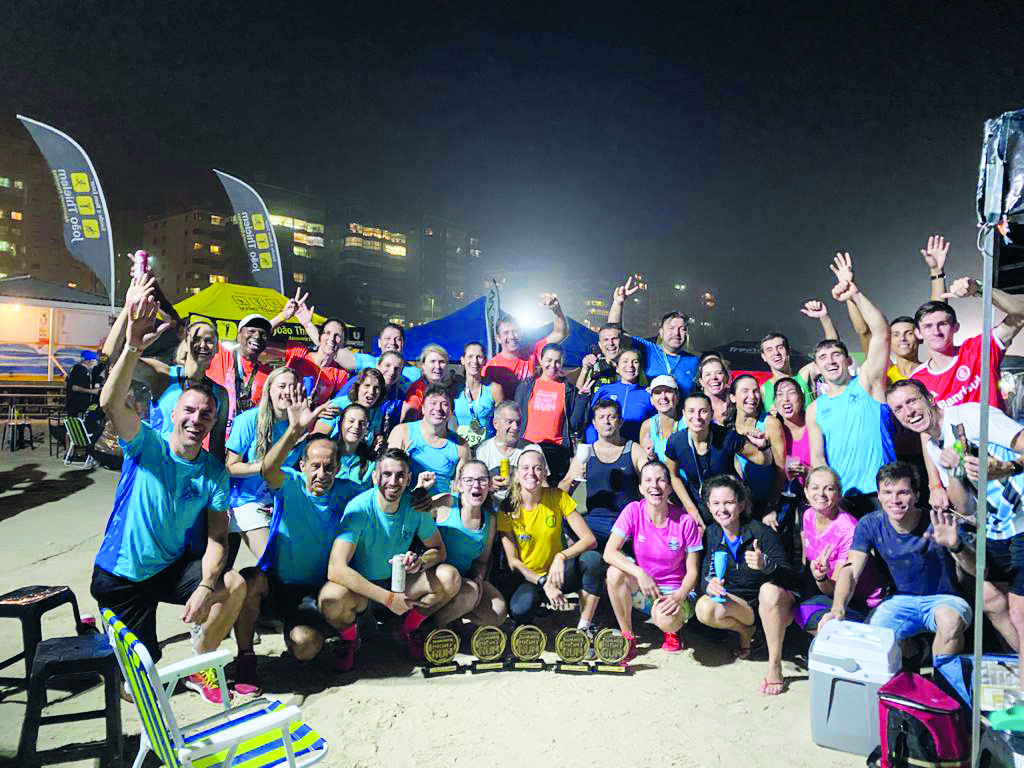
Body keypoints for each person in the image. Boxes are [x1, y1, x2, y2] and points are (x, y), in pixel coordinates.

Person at [90, 292, 245, 705]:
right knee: (138, 688)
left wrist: (206, 585)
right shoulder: (147, 444)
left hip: (168, 567)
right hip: (123, 575)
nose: (197, 419)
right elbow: (110, 402)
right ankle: (108, 636)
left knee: (233, 583)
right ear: (172, 413)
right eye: (189, 412)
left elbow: (218, 537)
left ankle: (200, 664)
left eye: (206, 415)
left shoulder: (213, 472)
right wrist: (132, 344)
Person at [886, 378, 1024, 687]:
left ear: (930, 398)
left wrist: (1007, 468)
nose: (908, 412)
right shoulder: (934, 445)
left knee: (1019, 611)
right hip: (996, 527)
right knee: (991, 599)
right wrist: (955, 472)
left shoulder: (970, 416)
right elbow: (966, 505)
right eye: (899, 409)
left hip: (1022, 517)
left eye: (912, 401)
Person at [232, 403, 361, 692]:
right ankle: (245, 658)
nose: (322, 473)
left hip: (313, 592)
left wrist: (421, 497)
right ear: (302, 466)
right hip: (277, 582)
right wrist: (293, 432)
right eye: (315, 465)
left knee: (305, 647)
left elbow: (383, 500)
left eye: (329, 466)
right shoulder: (290, 483)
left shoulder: (348, 491)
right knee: (248, 580)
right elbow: (267, 468)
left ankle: (335, 630)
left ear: (338, 468)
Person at [821, 462, 975, 662]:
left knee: (950, 622)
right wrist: (837, 609)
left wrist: (956, 546)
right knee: (874, 638)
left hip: (945, 599)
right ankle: (916, 652)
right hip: (899, 600)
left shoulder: (939, 522)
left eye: (903, 492)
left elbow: (979, 571)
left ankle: (942, 679)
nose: (895, 500)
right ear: (878, 496)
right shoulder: (870, 524)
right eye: (887, 493)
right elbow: (851, 570)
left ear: (916, 495)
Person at [327, 448, 462, 668]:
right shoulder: (359, 509)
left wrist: (420, 562)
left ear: (409, 479)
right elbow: (335, 569)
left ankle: (408, 628)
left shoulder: (415, 507)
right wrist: (388, 599)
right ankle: (349, 640)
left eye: (400, 475)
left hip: (399, 585)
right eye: (386, 474)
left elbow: (438, 550)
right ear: (375, 476)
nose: (393, 481)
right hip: (363, 592)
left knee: (450, 577)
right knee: (331, 597)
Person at [806, 252, 895, 517]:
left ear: (847, 361)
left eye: (836, 355)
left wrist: (854, 293)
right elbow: (818, 458)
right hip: (842, 499)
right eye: (823, 358)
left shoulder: (868, 383)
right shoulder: (815, 409)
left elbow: (881, 331)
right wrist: (825, 496)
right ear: (817, 367)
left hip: (882, 494)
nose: (830, 361)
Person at [694, 475, 796, 695]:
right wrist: (709, 584)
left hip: (772, 607)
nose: (722, 509)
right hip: (742, 606)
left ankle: (774, 665)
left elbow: (792, 579)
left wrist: (766, 565)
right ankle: (746, 631)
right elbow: (706, 574)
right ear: (709, 507)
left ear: (741, 505)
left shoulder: (761, 533)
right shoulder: (713, 533)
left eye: (729, 502)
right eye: (716, 503)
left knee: (768, 591)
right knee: (703, 607)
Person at [497, 447, 605, 633]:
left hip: (560, 573)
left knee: (592, 560)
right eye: (525, 468)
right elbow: (513, 562)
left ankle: (584, 626)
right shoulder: (508, 507)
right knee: (520, 609)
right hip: (531, 578)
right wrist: (543, 582)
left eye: (537, 468)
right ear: (517, 473)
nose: (531, 473)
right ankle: (533, 616)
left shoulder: (557, 496)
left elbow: (589, 539)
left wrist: (561, 556)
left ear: (545, 472)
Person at [604, 461, 703, 656]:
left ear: (670, 487)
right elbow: (609, 552)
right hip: (645, 588)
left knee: (665, 619)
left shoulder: (685, 521)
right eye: (648, 480)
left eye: (661, 480)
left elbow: (693, 571)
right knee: (614, 573)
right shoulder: (633, 510)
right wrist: (640, 573)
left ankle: (673, 630)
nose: (654, 486)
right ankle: (628, 636)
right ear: (641, 488)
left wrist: (678, 597)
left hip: (675, 592)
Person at [225, 367, 321, 566]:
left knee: (301, 555)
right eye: (282, 386)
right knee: (273, 561)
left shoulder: (299, 426)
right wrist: (268, 466)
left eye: (292, 386)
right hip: (245, 500)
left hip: (277, 500)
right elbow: (231, 467)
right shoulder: (249, 420)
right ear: (269, 390)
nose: (287, 391)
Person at [789, 467, 884, 634]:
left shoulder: (848, 530)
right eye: (815, 487)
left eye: (829, 488)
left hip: (858, 599)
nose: (821, 494)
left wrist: (820, 577)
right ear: (806, 492)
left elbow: (836, 589)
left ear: (839, 494)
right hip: (827, 590)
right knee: (797, 611)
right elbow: (807, 559)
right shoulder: (808, 515)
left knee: (816, 619)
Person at [664, 391, 772, 531]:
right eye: (691, 411)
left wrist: (763, 445)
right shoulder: (676, 441)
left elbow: (763, 460)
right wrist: (691, 509)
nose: (697, 417)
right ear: (684, 414)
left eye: (703, 411)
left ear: (711, 413)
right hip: (699, 507)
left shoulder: (727, 436)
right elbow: (673, 476)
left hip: (730, 505)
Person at [911, 278, 1024, 410]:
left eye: (942, 324)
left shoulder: (978, 349)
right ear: (918, 333)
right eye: (928, 326)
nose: (936, 332)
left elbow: (1021, 311)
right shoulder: (917, 380)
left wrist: (979, 289)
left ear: (956, 327)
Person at [428, 460, 507, 627]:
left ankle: (453, 614)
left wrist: (478, 577)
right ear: (459, 485)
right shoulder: (444, 503)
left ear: (489, 485)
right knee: (469, 592)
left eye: (482, 480)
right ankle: (433, 628)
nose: (476, 486)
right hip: (435, 577)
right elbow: (412, 518)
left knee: (498, 611)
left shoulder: (490, 519)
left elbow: (482, 561)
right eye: (469, 480)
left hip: (464, 580)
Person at [560, 399, 646, 548]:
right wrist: (572, 480)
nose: (606, 422)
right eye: (601, 417)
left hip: (627, 522)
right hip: (594, 524)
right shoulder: (585, 453)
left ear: (620, 422)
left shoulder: (634, 450)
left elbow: (650, 483)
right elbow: (560, 493)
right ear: (594, 423)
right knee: (567, 527)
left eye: (611, 417)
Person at [141, 318, 230, 461]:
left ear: (216, 349)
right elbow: (113, 358)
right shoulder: (164, 375)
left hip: (188, 468)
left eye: (209, 341)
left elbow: (217, 448)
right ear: (186, 343)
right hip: (154, 462)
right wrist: (133, 344)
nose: (203, 345)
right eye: (197, 339)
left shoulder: (220, 393)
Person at [608, 275, 698, 393]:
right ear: (661, 332)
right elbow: (614, 334)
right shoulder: (647, 349)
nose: (676, 333)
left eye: (682, 329)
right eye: (671, 328)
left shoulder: (694, 361)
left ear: (686, 334)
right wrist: (618, 303)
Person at [515, 342, 588, 482]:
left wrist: (582, 398)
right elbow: (517, 417)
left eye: (557, 361)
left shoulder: (568, 389)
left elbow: (574, 424)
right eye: (549, 360)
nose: (553, 365)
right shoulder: (526, 386)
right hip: (527, 447)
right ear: (540, 360)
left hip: (555, 451)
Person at [483, 293, 569, 401]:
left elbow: (560, 333)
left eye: (515, 331)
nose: (512, 337)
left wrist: (556, 310)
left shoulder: (532, 352)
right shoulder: (492, 366)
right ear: (498, 338)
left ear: (521, 333)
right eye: (506, 333)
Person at [388, 384, 470, 494]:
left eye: (444, 404)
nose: (438, 408)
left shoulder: (461, 446)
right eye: (433, 403)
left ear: (451, 412)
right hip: (406, 500)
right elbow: (387, 474)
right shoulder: (402, 433)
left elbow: (459, 489)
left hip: (442, 502)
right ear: (423, 408)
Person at [728, 374, 786, 526]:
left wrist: (772, 506)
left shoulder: (770, 423)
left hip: (766, 503)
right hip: (737, 504)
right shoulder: (727, 426)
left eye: (755, 391)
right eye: (745, 391)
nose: (752, 396)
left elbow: (780, 468)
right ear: (733, 397)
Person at [760, 299, 838, 410]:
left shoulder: (805, 376)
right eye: (769, 350)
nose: (776, 353)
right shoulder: (763, 391)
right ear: (763, 357)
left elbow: (832, 348)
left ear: (788, 351)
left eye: (780, 347)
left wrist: (824, 317)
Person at [581, 349, 655, 443]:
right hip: (603, 447)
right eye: (625, 361)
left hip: (634, 448)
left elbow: (654, 426)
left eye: (635, 362)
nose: (630, 365)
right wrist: (593, 445)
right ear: (617, 367)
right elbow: (591, 421)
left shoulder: (648, 395)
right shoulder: (604, 390)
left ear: (640, 367)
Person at [282, 312, 351, 407]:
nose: (331, 338)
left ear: (343, 342)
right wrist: (282, 317)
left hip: (314, 415)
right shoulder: (299, 353)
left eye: (337, 335)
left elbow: (335, 405)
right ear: (320, 337)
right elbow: (264, 347)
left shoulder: (340, 374)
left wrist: (320, 410)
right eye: (327, 333)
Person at [474, 401, 537, 502]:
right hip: (491, 505)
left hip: (524, 505)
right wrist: (489, 485)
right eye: (509, 422)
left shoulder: (532, 450)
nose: (515, 427)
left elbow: (543, 485)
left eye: (518, 422)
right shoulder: (483, 450)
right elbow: (474, 485)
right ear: (496, 424)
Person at [316, 368, 387, 451]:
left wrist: (378, 440)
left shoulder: (376, 412)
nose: (371, 391)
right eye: (367, 386)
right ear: (358, 387)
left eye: (376, 388)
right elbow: (317, 438)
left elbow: (374, 435)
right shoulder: (338, 405)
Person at [333, 322, 422, 385]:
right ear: (379, 343)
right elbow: (335, 353)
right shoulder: (368, 361)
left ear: (403, 343)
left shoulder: (416, 373)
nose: (392, 343)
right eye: (387, 338)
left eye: (398, 339)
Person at [453, 341, 502, 447]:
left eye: (479, 357)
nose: (474, 361)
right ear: (462, 360)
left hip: (487, 448)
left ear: (485, 360)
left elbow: (502, 422)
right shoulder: (455, 391)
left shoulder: (494, 389)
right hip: (462, 448)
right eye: (470, 356)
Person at [639, 375, 682, 463]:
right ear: (651, 400)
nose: (663, 397)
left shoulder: (688, 422)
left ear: (677, 396)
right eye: (657, 393)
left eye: (668, 391)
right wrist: (650, 456)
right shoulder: (647, 426)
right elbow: (644, 463)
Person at [403, 344, 451, 421]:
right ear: (423, 366)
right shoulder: (417, 390)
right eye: (433, 361)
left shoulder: (446, 388)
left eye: (441, 362)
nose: (437, 366)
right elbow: (409, 421)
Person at [576, 323, 628, 392]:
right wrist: (585, 369)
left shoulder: (632, 365)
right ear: (600, 345)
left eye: (614, 339)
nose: (610, 343)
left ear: (622, 342)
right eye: (606, 339)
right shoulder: (594, 366)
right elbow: (578, 393)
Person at [66, 350, 102, 417]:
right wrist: (92, 391)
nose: (95, 362)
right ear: (87, 361)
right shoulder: (79, 370)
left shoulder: (84, 371)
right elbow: (74, 388)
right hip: (77, 407)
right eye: (93, 360)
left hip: (80, 406)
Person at [696, 354, 730, 424]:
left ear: (726, 377)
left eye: (719, 373)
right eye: (708, 374)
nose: (713, 377)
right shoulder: (696, 405)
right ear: (701, 381)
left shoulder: (737, 401)